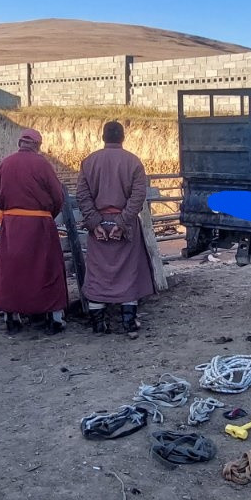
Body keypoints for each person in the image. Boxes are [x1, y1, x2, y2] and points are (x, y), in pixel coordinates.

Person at [76, 121, 155, 338]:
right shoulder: (134, 162)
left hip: (98, 227)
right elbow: (138, 196)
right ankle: (129, 323)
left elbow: (82, 196)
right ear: (123, 137)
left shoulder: (89, 162)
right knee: (128, 273)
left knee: (98, 274)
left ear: (103, 137)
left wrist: (95, 223)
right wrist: (122, 222)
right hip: (125, 227)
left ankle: (99, 324)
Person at [0, 128, 68, 334]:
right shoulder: (42, 164)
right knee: (47, 268)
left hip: (13, 225)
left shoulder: (5, 164)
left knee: (11, 270)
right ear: (36, 145)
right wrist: (49, 213)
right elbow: (57, 195)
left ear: (20, 143)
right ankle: (55, 318)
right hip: (39, 224)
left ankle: (11, 316)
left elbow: (1, 191)